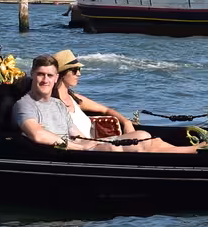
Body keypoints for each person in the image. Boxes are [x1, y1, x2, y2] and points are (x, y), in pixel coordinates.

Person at [52, 50, 195, 154]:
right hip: (88, 150)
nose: (79, 74)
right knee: (143, 139)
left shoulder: (76, 98)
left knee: (150, 139)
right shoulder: (52, 104)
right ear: (62, 74)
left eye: (79, 69)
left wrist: (126, 122)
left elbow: (106, 110)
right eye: (75, 70)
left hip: (96, 144)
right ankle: (193, 151)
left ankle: (192, 151)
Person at [15, 55, 117, 151]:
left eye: (50, 75)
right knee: (114, 148)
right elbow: (38, 135)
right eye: (41, 74)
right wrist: (79, 148)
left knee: (124, 142)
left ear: (56, 78)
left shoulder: (59, 104)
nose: (45, 80)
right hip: (58, 156)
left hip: (76, 151)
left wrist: (97, 142)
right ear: (32, 74)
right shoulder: (24, 104)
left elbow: (77, 136)